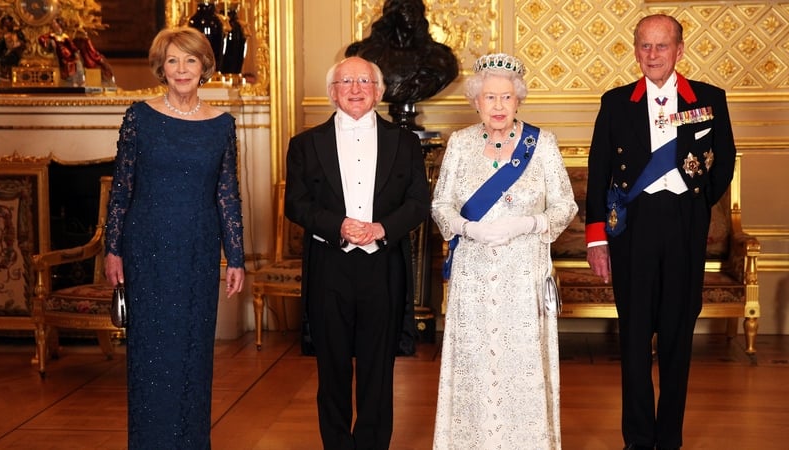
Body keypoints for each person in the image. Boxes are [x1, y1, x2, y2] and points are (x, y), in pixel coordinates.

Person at [584, 14, 736, 450]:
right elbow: (598, 175)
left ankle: (669, 438)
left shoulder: (707, 98)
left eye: (661, 46)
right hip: (633, 229)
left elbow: (723, 161)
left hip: (685, 226)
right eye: (644, 47)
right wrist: (597, 238)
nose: (652, 55)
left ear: (679, 50)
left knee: (676, 335)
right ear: (635, 50)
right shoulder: (615, 103)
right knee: (633, 338)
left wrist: (693, 200)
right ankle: (637, 438)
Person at [103, 27, 245, 449]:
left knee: (193, 351)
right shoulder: (139, 117)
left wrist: (235, 257)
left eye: (190, 60)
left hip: (198, 251)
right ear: (161, 68)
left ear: (204, 67)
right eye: (173, 61)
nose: (182, 69)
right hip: (146, 248)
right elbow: (122, 188)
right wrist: (113, 249)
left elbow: (227, 194)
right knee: (151, 354)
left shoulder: (221, 125)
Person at [431, 53, 578, 449]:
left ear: (518, 101)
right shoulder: (460, 144)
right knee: (476, 361)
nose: (498, 106)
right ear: (476, 101)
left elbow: (565, 205)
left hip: (523, 271)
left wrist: (527, 223)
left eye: (507, 98)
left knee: (520, 361)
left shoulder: (541, 144)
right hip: (473, 271)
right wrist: (465, 227)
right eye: (490, 97)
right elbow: (440, 205)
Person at [284, 56, 430, 450]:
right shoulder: (304, 144)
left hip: (383, 264)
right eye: (346, 81)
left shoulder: (405, 142)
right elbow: (295, 204)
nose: (355, 88)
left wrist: (383, 228)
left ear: (379, 91)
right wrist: (338, 226)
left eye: (364, 81)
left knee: (377, 368)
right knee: (331, 368)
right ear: (332, 91)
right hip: (330, 264)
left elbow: (419, 202)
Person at [38, 17, 83, 85]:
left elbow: (71, 45)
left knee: (77, 63)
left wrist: (75, 52)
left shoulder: (64, 35)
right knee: (67, 66)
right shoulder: (51, 35)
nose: (53, 24)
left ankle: (78, 81)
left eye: (54, 23)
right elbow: (41, 38)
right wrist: (49, 42)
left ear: (58, 24)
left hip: (69, 55)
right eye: (53, 23)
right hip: (61, 57)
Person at [0, 15, 27, 83]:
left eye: (2, 28)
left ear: (5, 28)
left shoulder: (11, 35)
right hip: (7, 55)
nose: (1, 31)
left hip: (11, 57)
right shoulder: (7, 36)